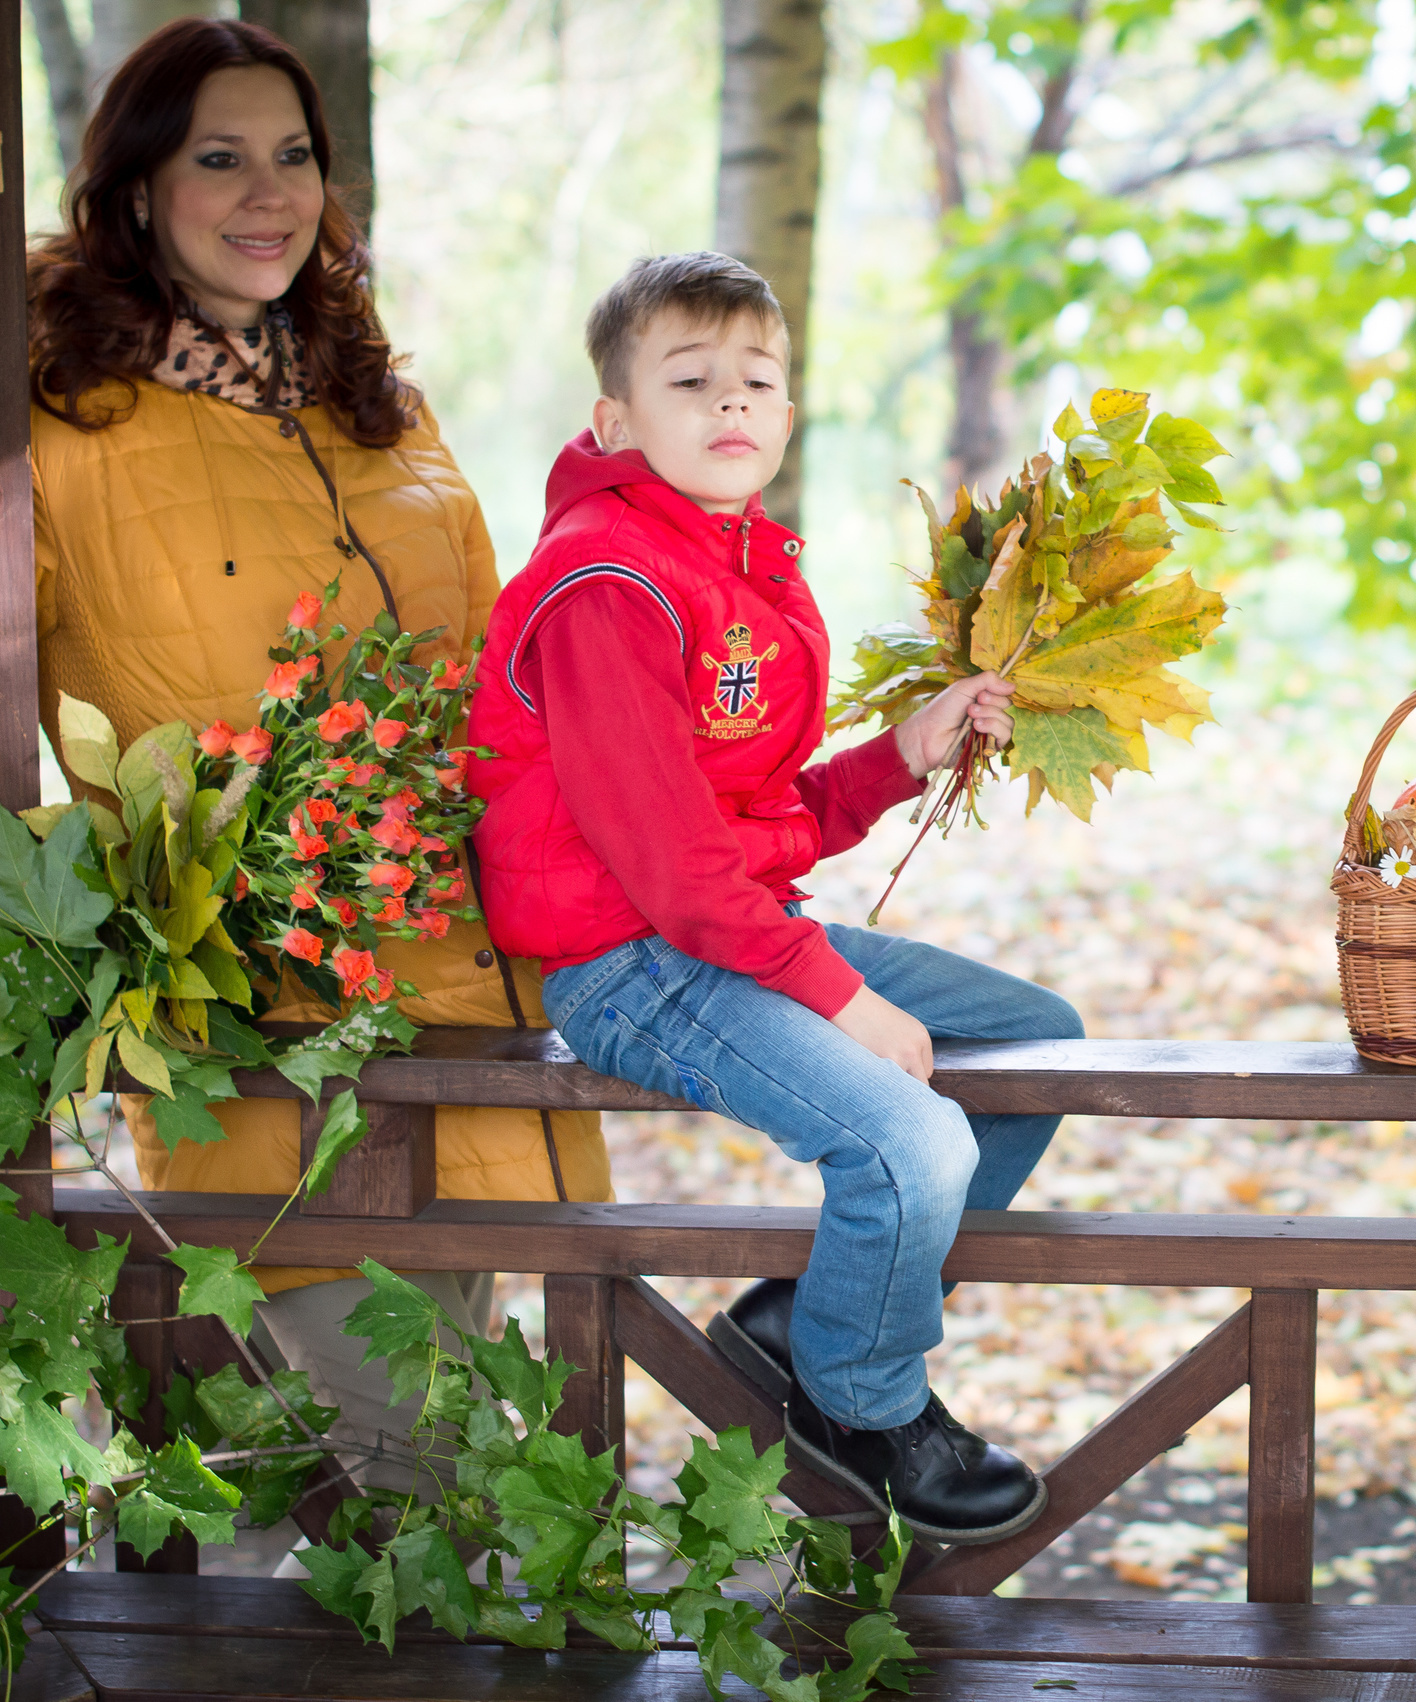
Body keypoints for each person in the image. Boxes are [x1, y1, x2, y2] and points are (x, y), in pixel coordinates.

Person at [25, 19, 610, 1496]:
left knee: (321, 1528)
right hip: (268, 1041)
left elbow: (502, 688)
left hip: (482, 1012)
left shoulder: (384, 408)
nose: (265, 190)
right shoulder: (54, 424)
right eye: (218, 157)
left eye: (292, 155)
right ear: (138, 188)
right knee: (442, 1495)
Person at [465, 253, 1082, 1546]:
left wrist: (898, 757)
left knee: (1032, 1042)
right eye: (690, 380)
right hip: (626, 959)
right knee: (913, 1141)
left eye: (758, 380)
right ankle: (860, 1401)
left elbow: (746, 821)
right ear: (615, 420)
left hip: (710, 927)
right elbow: (672, 860)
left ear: (790, 414)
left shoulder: (739, 566)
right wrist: (840, 996)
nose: (731, 404)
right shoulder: (607, 584)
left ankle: (809, 1314)